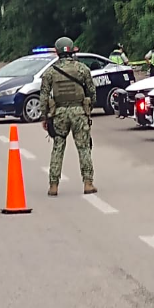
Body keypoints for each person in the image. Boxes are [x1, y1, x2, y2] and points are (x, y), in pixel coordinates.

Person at [41, 36, 96, 197]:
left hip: (59, 114)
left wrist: (45, 117)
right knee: (84, 148)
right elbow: (92, 92)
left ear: (57, 52)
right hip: (79, 112)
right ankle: (88, 183)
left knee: (58, 148)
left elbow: (44, 96)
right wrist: (88, 108)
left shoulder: (50, 71)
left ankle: (53, 185)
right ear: (72, 50)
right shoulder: (82, 69)